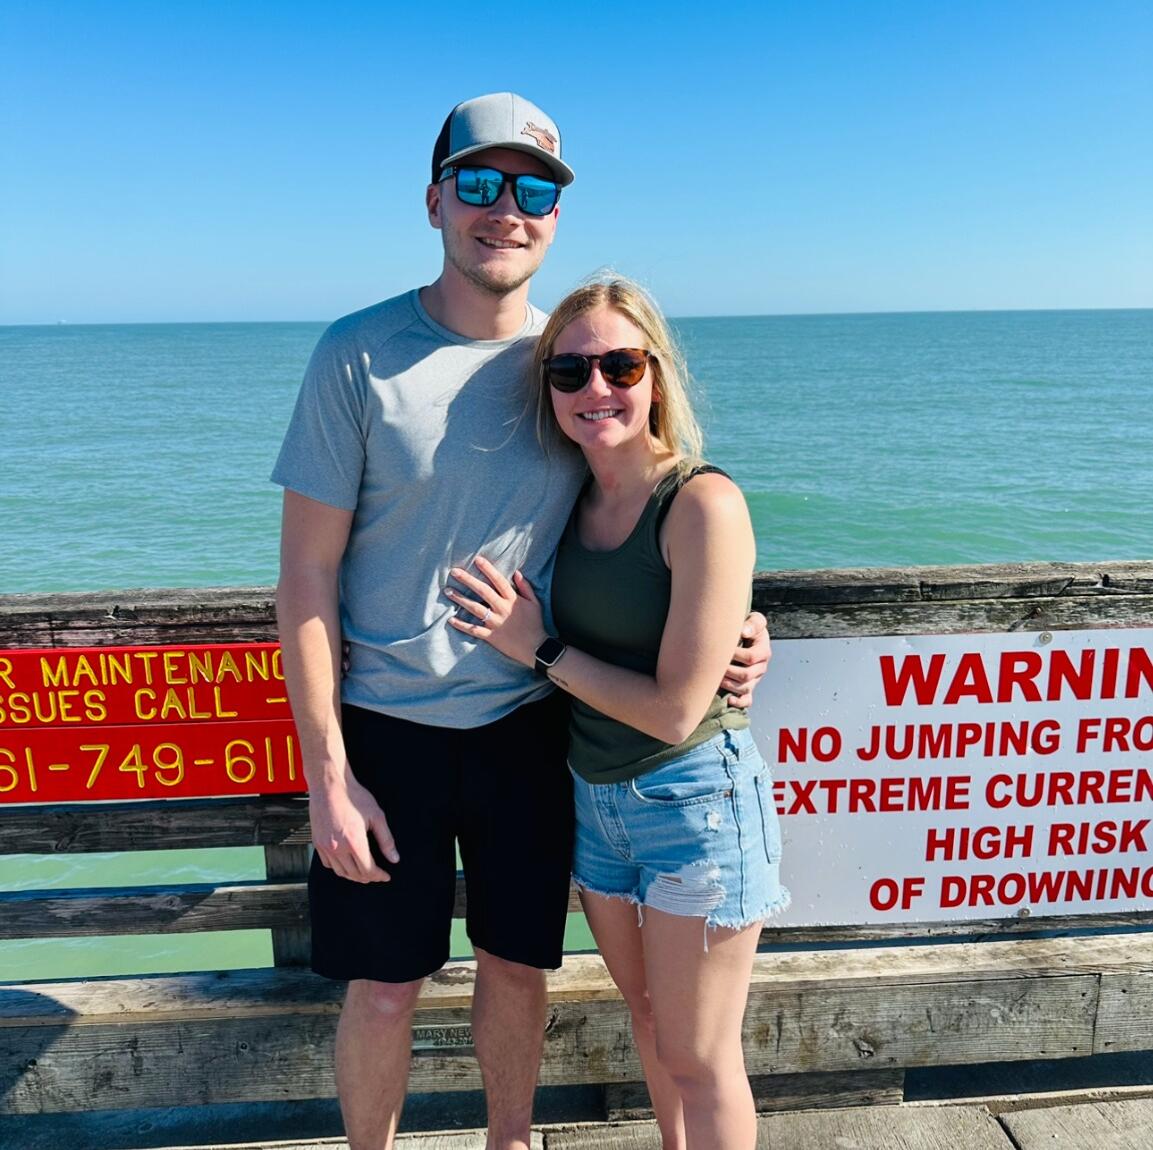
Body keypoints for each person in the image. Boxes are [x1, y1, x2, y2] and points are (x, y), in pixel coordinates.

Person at [272, 93, 771, 1150]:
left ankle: (511, 1140)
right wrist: (328, 771)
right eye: (481, 183)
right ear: (435, 200)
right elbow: (305, 580)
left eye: (533, 187)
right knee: (384, 990)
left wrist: (734, 621)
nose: (506, 208)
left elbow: (643, 505)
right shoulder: (355, 355)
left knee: (517, 964)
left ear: (554, 213)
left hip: (534, 728)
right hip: (387, 727)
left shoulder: (570, 363)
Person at [447, 278, 788, 1150]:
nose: (594, 388)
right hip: (595, 805)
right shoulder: (563, 502)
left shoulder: (701, 502)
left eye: (619, 364)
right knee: (646, 1020)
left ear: (656, 377)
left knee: (701, 1055)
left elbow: (677, 710)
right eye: (568, 371)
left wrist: (539, 649)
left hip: (694, 803)